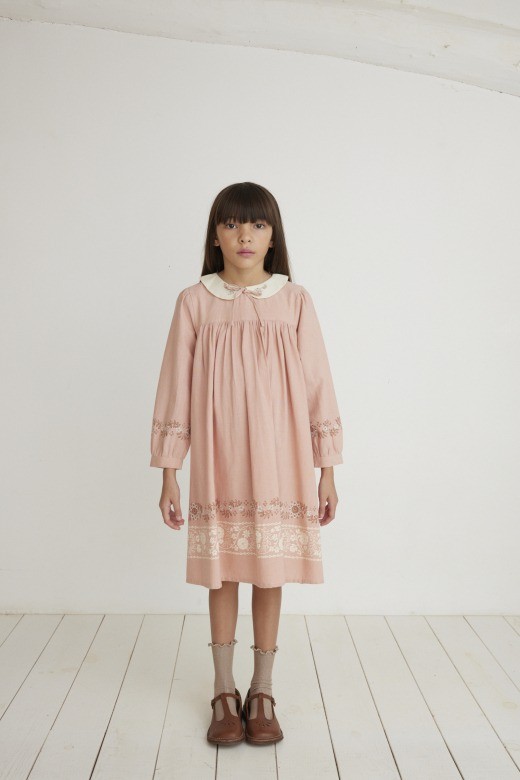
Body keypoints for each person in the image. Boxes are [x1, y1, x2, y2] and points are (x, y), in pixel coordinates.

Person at [150, 181, 343, 746]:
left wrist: (328, 468)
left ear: (273, 236)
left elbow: (318, 384)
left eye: (257, 224)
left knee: (269, 571)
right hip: (220, 459)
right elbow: (174, 386)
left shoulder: (294, 300)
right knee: (223, 572)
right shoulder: (195, 301)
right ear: (215, 235)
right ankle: (222, 689)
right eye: (232, 223)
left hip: (282, 459)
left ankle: (262, 690)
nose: (245, 235)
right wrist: (169, 471)